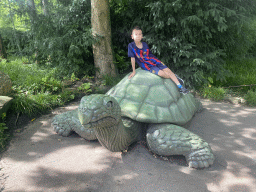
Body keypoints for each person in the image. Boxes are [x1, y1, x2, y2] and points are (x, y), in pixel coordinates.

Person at [128, 26, 189, 94]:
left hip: (154, 60)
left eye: (140, 34)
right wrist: (133, 71)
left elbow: (149, 55)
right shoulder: (131, 46)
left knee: (168, 70)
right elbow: (132, 58)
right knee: (163, 74)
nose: (138, 36)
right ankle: (175, 77)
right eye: (136, 34)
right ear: (132, 36)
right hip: (147, 65)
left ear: (142, 36)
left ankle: (180, 87)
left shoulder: (145, 44)